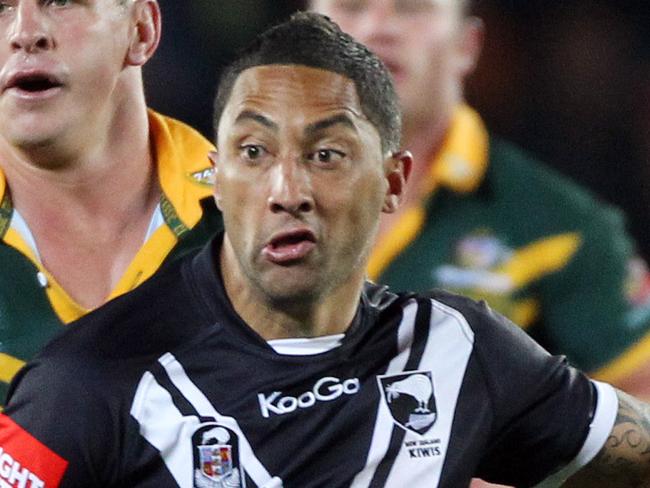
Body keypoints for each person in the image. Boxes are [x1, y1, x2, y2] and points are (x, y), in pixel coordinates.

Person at [2, 12, 650, 487]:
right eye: (254, 154)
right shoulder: (90, 383)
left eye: (327, 154)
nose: (288, 190)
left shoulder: (460, 350)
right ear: (217, 177)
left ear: (392, 181)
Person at [308, 0, 650, 396]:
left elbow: (642, 406)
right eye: (351, 7)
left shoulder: (563, 227)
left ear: (466, 46)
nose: (378, 27)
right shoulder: (225, 200)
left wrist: (529, 438)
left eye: (410, 9)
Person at [0, 0, 222, 402]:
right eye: (1, 8)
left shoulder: (251, 221)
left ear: (142, 30)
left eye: (61, 1)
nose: (25, 33)